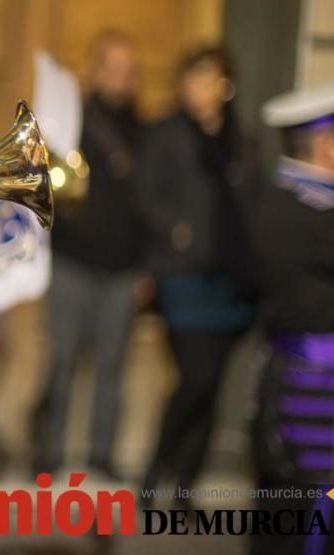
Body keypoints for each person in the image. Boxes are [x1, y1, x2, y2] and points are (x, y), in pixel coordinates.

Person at [136, 45, 257, 504]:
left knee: (213, 388)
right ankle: (155, 470)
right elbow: (145, 196)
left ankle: (185, 485)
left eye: (207, 78)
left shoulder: (241, 137)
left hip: (232, 276)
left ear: (225, 86)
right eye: (191, 78)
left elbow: (251, 199)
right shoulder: (165, 132)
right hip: (182, 274)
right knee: (196, 377)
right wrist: (176, 231)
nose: (198, 88)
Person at [32, 30, 143, 479]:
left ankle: (101, 453)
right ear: (94, 71)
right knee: (59, 363)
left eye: (128, 70)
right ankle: (47, 452)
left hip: (123, 268)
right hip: (71, 261)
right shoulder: (68, 122)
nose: (119, 78)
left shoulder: (144, 129)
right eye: (111, 68)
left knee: (112, 368)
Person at [251, 84, 334, 555]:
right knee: (307, 509)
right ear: (327, 148)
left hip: (302, 381)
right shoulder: (296, 209)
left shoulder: (288, 200)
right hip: (312, 389)